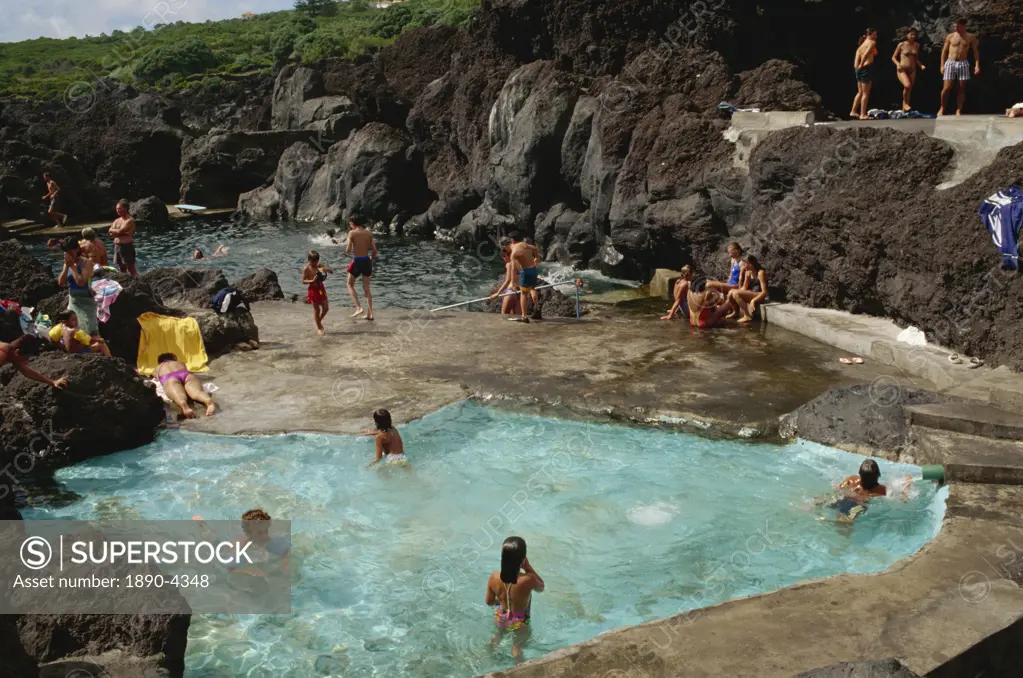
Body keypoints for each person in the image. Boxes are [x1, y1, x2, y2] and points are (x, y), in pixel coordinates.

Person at [486, 536, 544, 663]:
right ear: (523, 559)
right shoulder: (528, 580)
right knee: (516, 647)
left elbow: (489, 602)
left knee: (498, 636)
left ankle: (488, 652)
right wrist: (528, 567)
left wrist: (501, 601)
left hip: (501, 617)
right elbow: (541, 587)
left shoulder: (494, 577)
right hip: (520, 622)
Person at [192, 508, 290, 576]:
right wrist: (248, 571)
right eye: (260, 533)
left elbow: (286, 549)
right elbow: (229, 569)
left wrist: (285, 562)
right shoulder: (240, 550)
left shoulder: (264, 538)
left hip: (237, 536)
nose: (265, 536)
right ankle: (202, 524)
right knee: (212, 539)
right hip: (224, 549)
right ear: (249, 534)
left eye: (266, 531)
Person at [57, 237, 99, 339]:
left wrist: (72, 266)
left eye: (70, 251)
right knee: (72, 328)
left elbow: (81, 282)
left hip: (86, 300)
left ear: (77, 249)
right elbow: (61, 283)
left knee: (90, 329)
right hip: (74, 299)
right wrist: (67, 266)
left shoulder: (86, 263)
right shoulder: (67, 264)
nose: (68, 254)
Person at [154, 352, 217, 417]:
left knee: (178, 395)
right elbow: (185, 369)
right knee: (197, 392)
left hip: (169, 378)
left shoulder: (157, 367)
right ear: (173, 358)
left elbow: (157, 378)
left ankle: (184, 406)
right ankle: (209, 402)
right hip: (186, 375)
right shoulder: (180, 363)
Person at [938, 18, 979, 116]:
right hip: (950, 62)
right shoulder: (950, 36)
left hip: (963, 62)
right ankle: (942, 107)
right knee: (946, 87)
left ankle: (959, 109)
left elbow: (975, 51)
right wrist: (942, 65)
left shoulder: (970, 37)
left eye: (958, 26)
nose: (956, 28)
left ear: (964, 26)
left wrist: (977, 65)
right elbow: (944, 52)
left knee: (961, 87)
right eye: (955, 26)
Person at [828, 459, 887, 523]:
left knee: (827, 502)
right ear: (878, 475)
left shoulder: (851, 479)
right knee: (846, 522)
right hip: (858, 505)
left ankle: (824, 517)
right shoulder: (881, 490)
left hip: (843, 499)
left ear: (860, 473)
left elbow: (838, 488)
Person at [0, 335, 68, 388]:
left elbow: (27, 372)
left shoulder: (11, 353)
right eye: (26, 358)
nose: (26, 361)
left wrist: (52, 382)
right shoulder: (2, 355)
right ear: (17, 352)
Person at [345, 217, 378, 321]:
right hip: (367, 261)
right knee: (367, 288)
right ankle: (370, 314)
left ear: (353, 224)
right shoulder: (369, 233)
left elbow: (348, 250)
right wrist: (371, 259)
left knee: (349, 284)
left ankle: (358, 307)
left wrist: (349, 243)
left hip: (358, 261)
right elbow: (374, 250)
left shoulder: (352, 233)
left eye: (350, 223)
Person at [508, 232, 542, 323]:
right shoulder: (524, 244)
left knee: (523, 293)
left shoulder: (514, 251)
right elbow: (535, 248)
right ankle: (537, 309)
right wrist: (537, 258)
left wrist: (512, 282)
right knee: (533, 289)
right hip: (533, 270)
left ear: (512, 240)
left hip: (525, 272)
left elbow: (513, 268)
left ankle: (524, 316)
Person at [727, 255, 769, 324]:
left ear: (750, 263)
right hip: (752, 293)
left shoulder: (760, 273)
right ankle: (736, 312)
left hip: (759, 295)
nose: (743, 267)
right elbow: (744, 287)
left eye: (744, 265)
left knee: (735, 293)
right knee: (731, 292)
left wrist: (753, 300)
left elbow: (764, 292)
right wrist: (735, 290)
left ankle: (747, 315)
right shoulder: (748, 272)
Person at [892, 28, 925, 112]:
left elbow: (915, 59)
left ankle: (904, 110)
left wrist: (921, 65)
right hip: (902, 69)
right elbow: (893, 57)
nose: (913, 36)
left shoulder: (917, 45)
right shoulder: (901, 44)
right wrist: (898, 64)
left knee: (909, 89)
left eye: (914, 35)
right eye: (911, 34)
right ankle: (905, 104)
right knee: (907, 85)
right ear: (907, 35)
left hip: (912, 70)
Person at [302, 250, 333, 336]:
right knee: (317, 309)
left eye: (316, 261)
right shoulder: (306, 269)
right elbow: (303, 280)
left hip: (321, 289)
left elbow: (330, 271)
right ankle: (319, 327)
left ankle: (318, 321)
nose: (315, 263)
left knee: (326, 308)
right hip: (313, 290)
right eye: (313, 262)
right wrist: (312, 280)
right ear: (309, 260)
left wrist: (325, 269)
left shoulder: (319, 266)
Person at [489, 238, 522, 316]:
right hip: (520, 292)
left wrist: (497, 293)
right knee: (518, 318)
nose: (504, 260)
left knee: (504, 316)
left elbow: (508, 280)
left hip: (511, 291)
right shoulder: (518, 262)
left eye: (503, 258)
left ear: (505, 256)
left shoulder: (509, 264)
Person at [851, 28, 879, 120]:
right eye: (874, 34)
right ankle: (863, 114)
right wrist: (862, 65)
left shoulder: (861, 45)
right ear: (868, 35)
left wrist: (857, 68)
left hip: (858, 69)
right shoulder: (871, 43)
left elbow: (857, 57)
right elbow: (866, 55)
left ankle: (853, 111)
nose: (876, 36)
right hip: (865, 68)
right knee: (865, 93)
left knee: (860, 92)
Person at [108, 199, 137, 277]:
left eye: (119, 209)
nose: (117, 210)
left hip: (127, 246)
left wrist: (117, 232)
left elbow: (119, 231)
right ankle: (125, 283)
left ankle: (138, 282)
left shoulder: (129, 220)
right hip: (117, 246)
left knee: (131, 268)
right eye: (117, 209)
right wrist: (120, 233)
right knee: (121, 268)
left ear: (126, 209)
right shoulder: (117, 220)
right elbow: (110, 232)